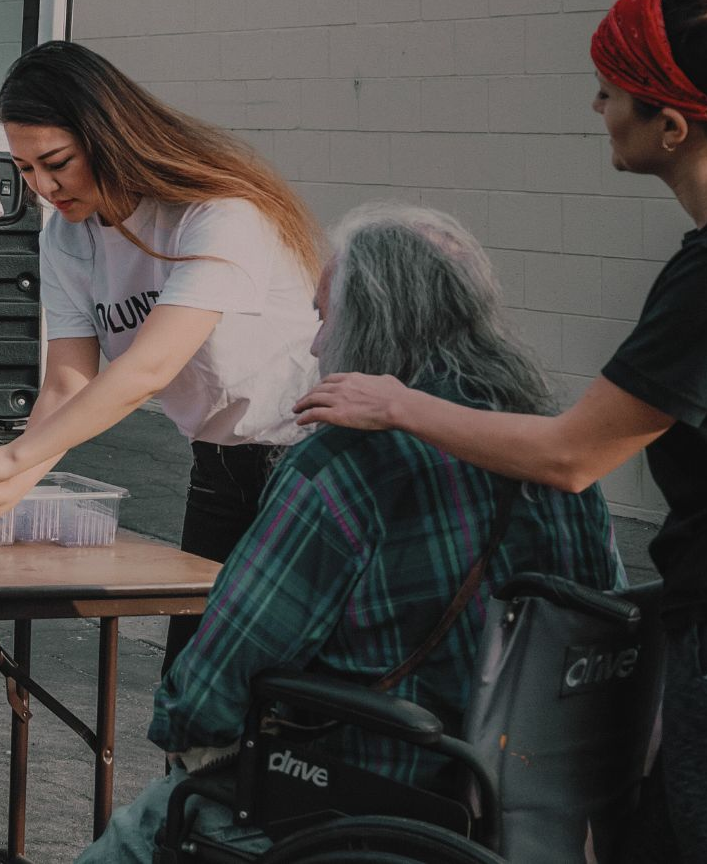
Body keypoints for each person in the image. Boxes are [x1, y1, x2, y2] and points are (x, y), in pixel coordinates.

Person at [296, 0, 707, 863]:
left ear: (674, 125)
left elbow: (574, 456)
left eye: (612, 89)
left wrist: (398, 401)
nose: (597, 105)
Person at [76, 204, 622, 864]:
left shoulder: (342, 466)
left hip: (362, 801)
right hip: (526, 812)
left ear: (367, 324)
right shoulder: (551, 451)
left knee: (148, 827)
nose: (313, 344)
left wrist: (186, 732)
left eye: (323, 316)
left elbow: (219, 674)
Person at [0, 41, 322, 673]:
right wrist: (14, 484)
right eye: (26, 171)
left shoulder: (216, 212)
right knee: (193, 680)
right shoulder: (67, 235)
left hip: (307, 459)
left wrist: (10, 456)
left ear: (108, 136)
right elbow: (67, 381)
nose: (46, 188)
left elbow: (146, 369)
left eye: (57, 162)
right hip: (219, 461)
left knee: (277, 680)